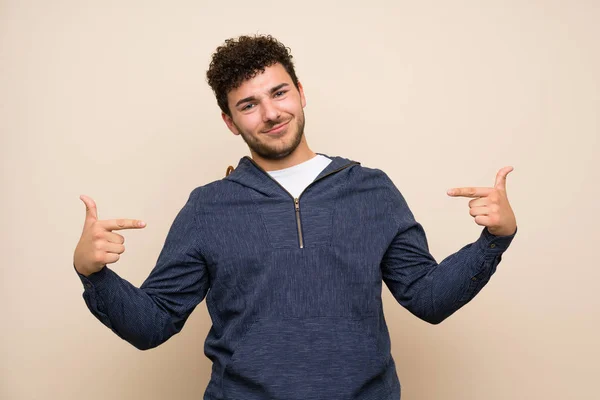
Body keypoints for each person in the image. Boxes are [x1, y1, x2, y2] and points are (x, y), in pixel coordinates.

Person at [73, 34, 517, 400]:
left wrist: (493, 240)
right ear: (230, 122)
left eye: (279, 92)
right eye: (248, 105)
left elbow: (428, 298)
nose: (270, 113)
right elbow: (152, 323)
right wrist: (93, 275)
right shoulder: (208, 207)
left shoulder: (371, 190)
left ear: (301, 93)